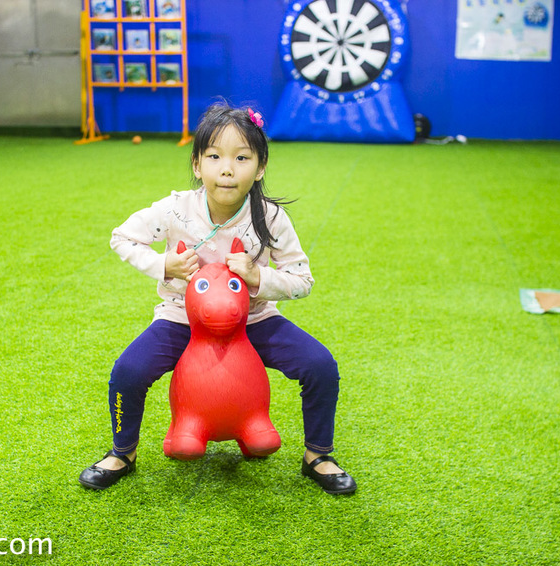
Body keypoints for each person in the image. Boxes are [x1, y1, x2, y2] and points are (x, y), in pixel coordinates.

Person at [79, 102, 356, 495]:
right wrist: (164, 265)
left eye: (241, 157)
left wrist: (258, 276)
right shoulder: (177, 208)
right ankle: (123, 452)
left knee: (320, 366)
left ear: (259, 168)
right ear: (197, 165)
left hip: (253, 320)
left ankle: (319, 455)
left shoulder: (270, 218)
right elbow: (121, 237)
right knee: (128, 372)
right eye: (214, 157)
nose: (227, 168)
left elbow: (302, 280)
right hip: (182, 319)